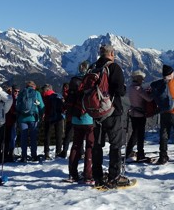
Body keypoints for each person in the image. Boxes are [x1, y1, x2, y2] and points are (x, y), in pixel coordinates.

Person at [89, 44, 129, 187]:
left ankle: (97, 176)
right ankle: (114, 177)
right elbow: (120, 90)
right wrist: (123, 87)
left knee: (97, 146)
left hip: (96, 113)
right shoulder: (113, 67)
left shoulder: (93, 67)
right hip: (112, 112)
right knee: (116, 145)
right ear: (112, 53)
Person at [66, 61, 95, 183]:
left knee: (76, 146)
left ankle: (72, 174)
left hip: (75, 118)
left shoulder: (73, 80)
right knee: (90, 146)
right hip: (88, 118)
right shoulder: (90, 80)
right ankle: (88, 175)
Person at [125, 70, 154, 162]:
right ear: (138, 78)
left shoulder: (130, 87)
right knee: (139, 135)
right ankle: (140, 154)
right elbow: (149, 99)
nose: (143, 80)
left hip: (133, 113)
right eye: (142, 78)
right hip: (140, 114)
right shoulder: (139, 89)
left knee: (135, 133)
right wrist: (153, 93)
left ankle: (128, 152)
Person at [16, 81, 44, 162]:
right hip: (33, 118)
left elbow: (18, 106)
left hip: (22, 119)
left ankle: (24, 156)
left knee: (23, 138)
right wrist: (41, 115)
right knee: (33, 137)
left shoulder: (22, 93)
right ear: (34, 87)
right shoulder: (36, 93)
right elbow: (41, 106)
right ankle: (34, 156)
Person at [41, 84, 65, 159]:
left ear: (46, 90)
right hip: (59, 117)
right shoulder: (58, 95)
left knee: (47, 135)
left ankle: (46, 152)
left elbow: (43, 107)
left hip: (49, 117)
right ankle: (58, 152)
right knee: (59, 135)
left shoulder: (44, 96)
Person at [3, 86, 19, 162]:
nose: (17, 93)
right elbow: (12, 110)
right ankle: (10, 154)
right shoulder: (12, 98)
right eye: (16, 91)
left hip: (5, 121)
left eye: (18, 91)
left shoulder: (5, 97)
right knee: (11, 138)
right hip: (11, 121)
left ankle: (5, 153)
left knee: (7, 138)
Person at [60, 82, 72, 159]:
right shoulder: (73, 94)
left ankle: (64, 151)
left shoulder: (67, 95)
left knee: (68, 136)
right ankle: (81, 152)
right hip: (76, 117)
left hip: (70, 118)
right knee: (77, 136)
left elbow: (66, 106)